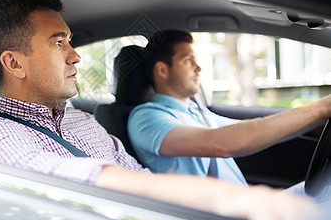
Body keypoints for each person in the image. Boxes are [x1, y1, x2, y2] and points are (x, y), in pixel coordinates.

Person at [0, 0, 321, 220]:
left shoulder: (82, 122)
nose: (76, 56)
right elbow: (75, 180)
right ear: (14, 63)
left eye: (70, 41)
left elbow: (140, 177)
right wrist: (235, 201)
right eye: (59, 43)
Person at [128, 29, 331, 187]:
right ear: (162, 70)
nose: (199, 68)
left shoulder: (196, 112)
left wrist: (316, 116)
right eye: (188, 61)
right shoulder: (146, 117)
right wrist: (322, 108)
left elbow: (251, 132)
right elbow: (225, 142)